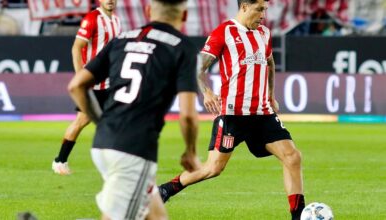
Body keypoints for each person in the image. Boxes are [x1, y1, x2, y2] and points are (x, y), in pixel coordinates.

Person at [158, 0, 306, 219]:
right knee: (213, 168)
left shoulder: (264, 33)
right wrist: (206, 91)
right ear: (244, 6)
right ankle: (166, 189)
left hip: (262, 113)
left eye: (265, 9)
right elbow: (198, 66)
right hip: (233, 114)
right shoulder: (224, 32)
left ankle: (299, 215)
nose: (264, 14)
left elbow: (270, 63)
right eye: (259, 9)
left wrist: (271, 95)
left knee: (293, 157)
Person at [67, 0, 201, 219]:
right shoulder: (183, 47)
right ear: (184, 16)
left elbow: (76, 85)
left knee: (157, 216)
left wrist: (101, 123)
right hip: (133, 151)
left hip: (103, 143)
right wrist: (191, 152)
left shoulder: (123, 38)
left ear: (148, 11)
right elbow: (187, 115)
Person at [52, 0, 121, 175]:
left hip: (110, 83)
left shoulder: (117, 20)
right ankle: (60, 160)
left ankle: (116, 163)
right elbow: (76, 48)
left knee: (117, 121)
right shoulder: (91, 19)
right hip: (93, 83)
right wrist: (80, 77)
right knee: (82, 121)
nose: (110, 0)